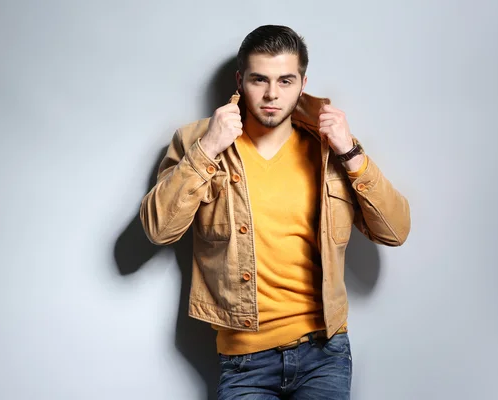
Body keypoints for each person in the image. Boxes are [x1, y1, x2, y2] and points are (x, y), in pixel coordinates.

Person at [140, 25, 410, 400]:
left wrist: (350, 152)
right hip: (243, 362)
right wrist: (206, 150)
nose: (271, 94)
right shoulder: (196, 142)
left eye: (285, 80)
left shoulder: (328, 148)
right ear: (240, 80)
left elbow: (395, 231)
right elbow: (158, 229)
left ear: (302, 83)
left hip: (325, 352)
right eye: (259, 80)